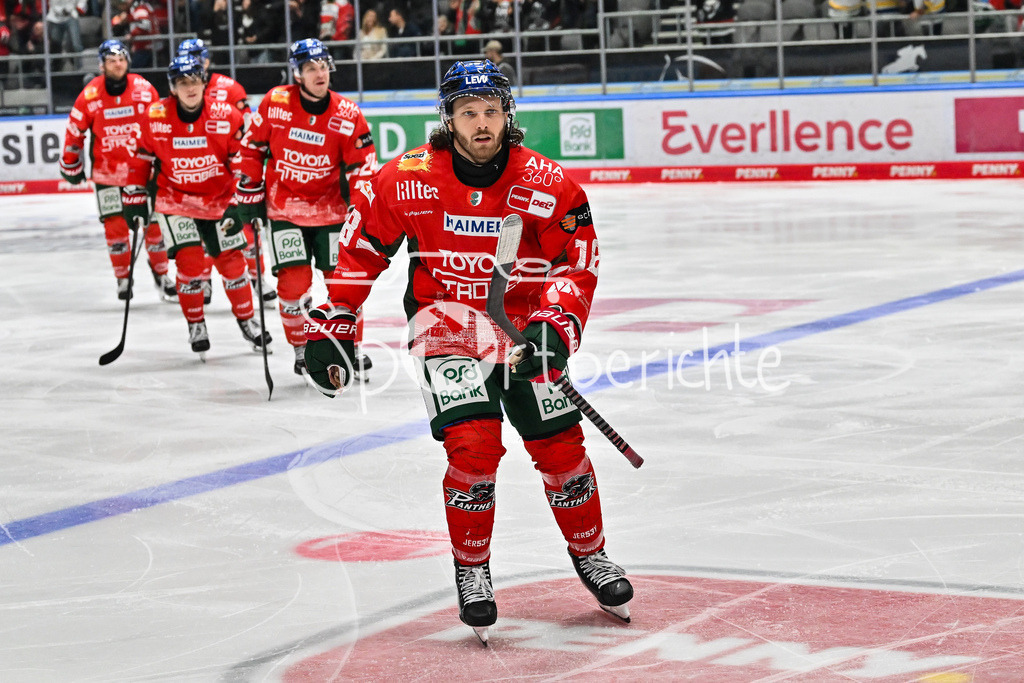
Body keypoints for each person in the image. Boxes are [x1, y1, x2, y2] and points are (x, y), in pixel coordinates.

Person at [303, 60, 633, 644]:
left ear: (508, 115)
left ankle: (592, 554)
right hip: (445, 326)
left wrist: (554, 329)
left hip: (524, 329)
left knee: (560, 449)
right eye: (468, 113)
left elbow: (576, 261)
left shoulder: (549, 183)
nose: (482, 124)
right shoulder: (407, 177)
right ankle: (473, 569)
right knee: (473, 447)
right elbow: (360, 252)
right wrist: (336, 319)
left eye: (491, 112)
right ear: (447, 118)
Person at [236, 38, 378, 377]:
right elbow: (253, 147)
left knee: (343, 282)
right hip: (284, 209)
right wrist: (249, 192)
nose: (320, 73)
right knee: (293, 284)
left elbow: (363, 167)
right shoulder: (276, 102)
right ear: (297, 73)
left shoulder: (347, 113)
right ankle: (302, 348)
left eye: (323, 66)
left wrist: (360, 210)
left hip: (331, 212)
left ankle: (349, 347)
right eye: (310, 68)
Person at [135, 54, 272, 357]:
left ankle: (248, 321)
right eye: (183, 82)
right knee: (191, 263)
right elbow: (141, 159)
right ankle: (195, 324)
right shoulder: (155, 116)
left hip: (218, 199)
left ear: (203, 82)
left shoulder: (226, 115)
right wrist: (134, 197)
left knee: (232, 262)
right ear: (173, 87)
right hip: (175, 200)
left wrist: (241, 200)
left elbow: (244, 159)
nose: (191, 87)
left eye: (195, 80)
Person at [59, 39, 177, 303]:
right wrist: (70, 162)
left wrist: (168, 162)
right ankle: (122, 278)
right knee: (115, 229)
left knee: (154, 226)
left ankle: (162, 274)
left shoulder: (144, 90)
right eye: (111, 61)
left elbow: (162, 126)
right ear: (102, 65)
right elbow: (74, 131)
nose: (118, 64)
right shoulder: (90, 95)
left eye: (121, 59)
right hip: (107, 174)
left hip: (143, 172)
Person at [177, 37, 278, 308]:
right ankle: (204, 279)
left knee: (246, 227)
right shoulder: (177, 93)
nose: (195, 63)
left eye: (199, 57)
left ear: (207, 59)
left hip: (230, 172)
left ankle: (257, 278)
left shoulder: (231, 89)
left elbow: (247, 131)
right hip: (196, 174)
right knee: (202, 232)